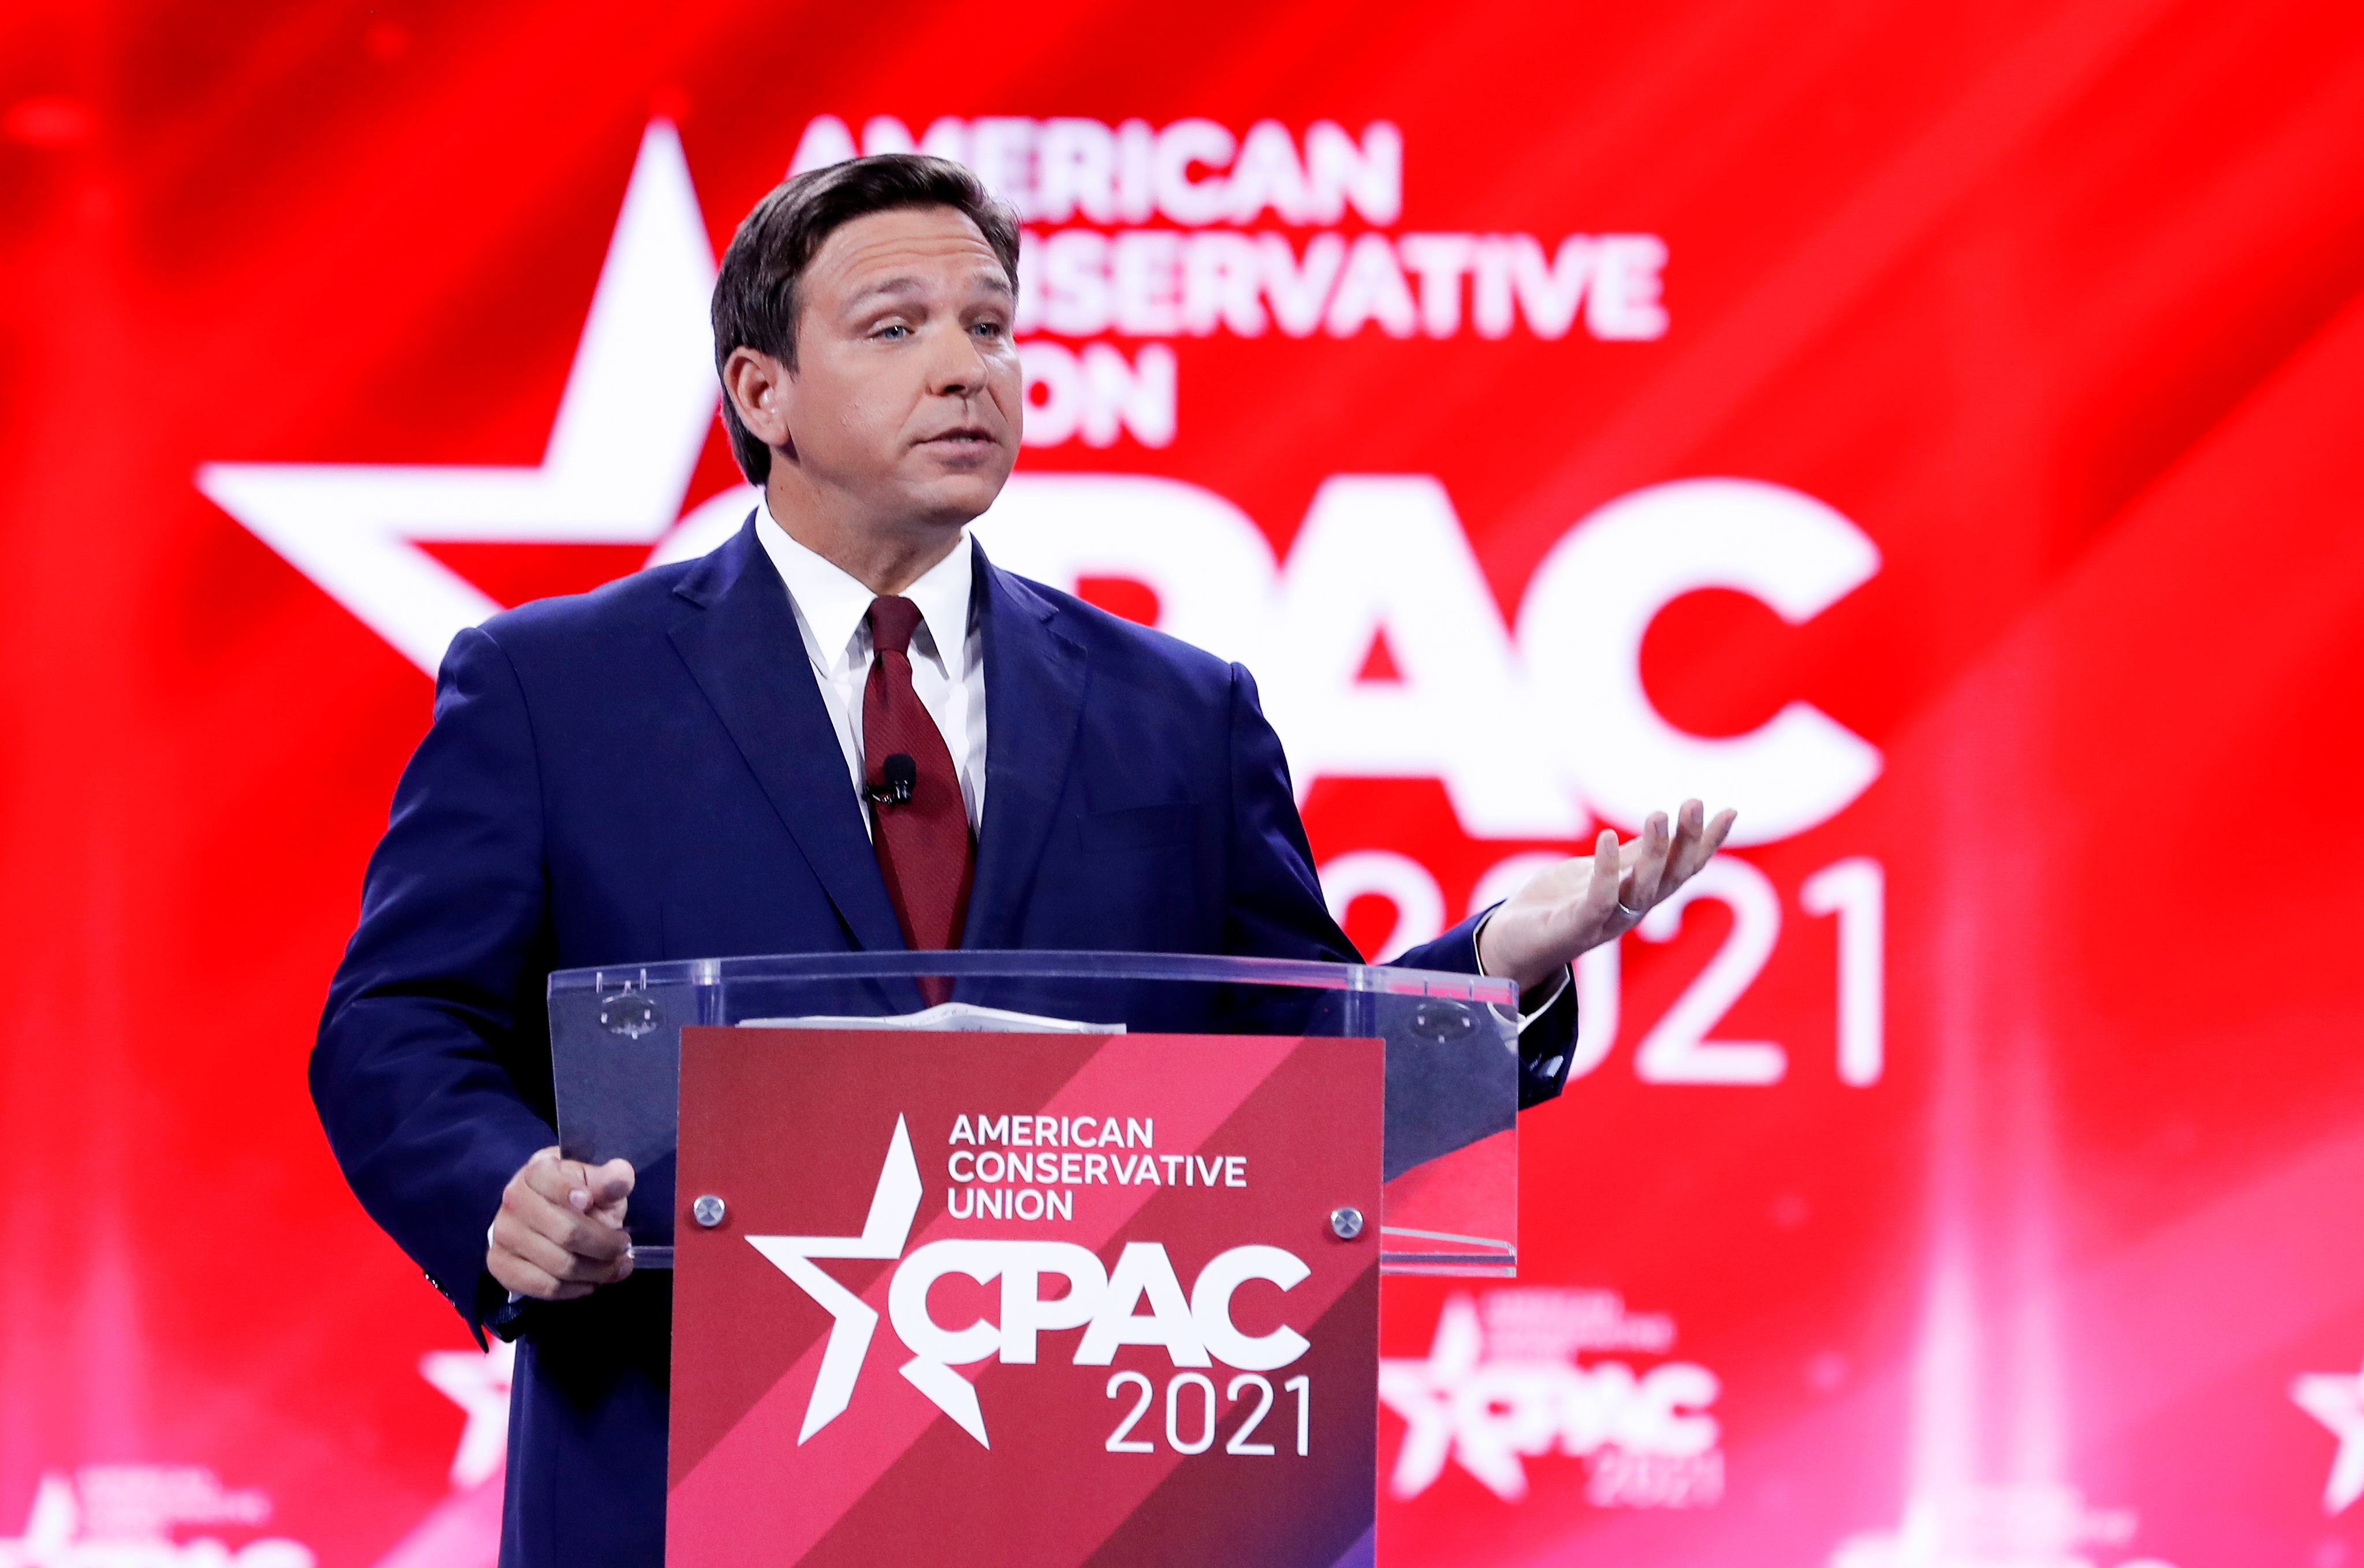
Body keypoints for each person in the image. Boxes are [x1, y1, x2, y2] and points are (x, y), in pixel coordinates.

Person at [311, 153, 1733, 1567]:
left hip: (1104, 1497)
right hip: (686, 1471)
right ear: (761, 394)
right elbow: (397, 1023)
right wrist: (505, 1192)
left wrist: (1493, 963)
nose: (965, 367)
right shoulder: (557, 688)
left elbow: (1297, 1079)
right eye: (895, 327)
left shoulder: (1179, 709)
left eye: (991, 326)